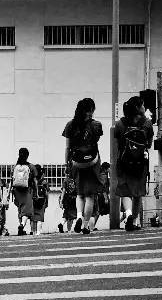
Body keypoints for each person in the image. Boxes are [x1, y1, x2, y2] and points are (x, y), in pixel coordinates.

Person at [112, 96, 154, 231]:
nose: (144, 108)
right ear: (137, 107)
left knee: (125, 191)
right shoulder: (147, 123)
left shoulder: (120, 124)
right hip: (140, 163)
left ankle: (128, 214)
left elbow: (118, 144)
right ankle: (135, 221)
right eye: (142, 105)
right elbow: (148, 144)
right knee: (138, 192)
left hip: (124, 162)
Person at [63, 98, 103, 234]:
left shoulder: (70, 125)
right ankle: (85, 225)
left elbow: (68, 147)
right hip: (92, 161)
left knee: (79, 194)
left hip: (76, 162)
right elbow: (96, 140)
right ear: (91, 110)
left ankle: (79, 216)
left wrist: (66, 164)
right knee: (90, 196)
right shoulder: (96, 125)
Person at [10, 147, 35, 234]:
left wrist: (9, 193)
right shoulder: (31, 166)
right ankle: (22, 224)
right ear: (27, 155)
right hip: (27, 190)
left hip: (16, 191)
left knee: (20, 209)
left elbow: (11, 180)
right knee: (27, 210)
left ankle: (21, 227)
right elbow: (34, 181)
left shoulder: (15, 167)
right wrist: (36, 192)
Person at [29, 162, 49, 234]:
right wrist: (46, 202)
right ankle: (39, 232)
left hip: (33, 200)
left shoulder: (32, 181)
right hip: (42, 200)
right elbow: (46, 193)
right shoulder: (44, 181)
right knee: (40, 217)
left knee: (33, 218)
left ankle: (33, 231)